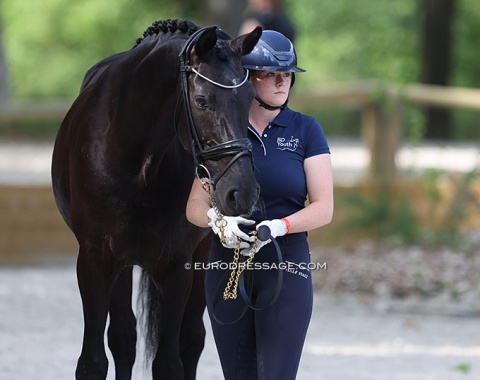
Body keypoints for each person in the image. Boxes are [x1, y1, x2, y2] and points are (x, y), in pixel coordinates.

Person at [186, 30, 333, 380]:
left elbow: (324, 207)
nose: (283, 83)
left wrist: (278, 227)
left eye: (288, 76)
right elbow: (193, 204)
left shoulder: (306, 130)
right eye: (271, 75)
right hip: (228, 265)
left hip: (286, 264)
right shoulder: (223, 130)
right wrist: (217, 221)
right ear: (249, 79)